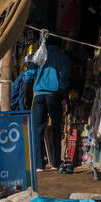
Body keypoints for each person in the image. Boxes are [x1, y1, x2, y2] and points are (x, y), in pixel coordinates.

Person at [30, 37, 72, 173]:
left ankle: (39, 165)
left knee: (38, 130)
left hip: (39, 96)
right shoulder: (62, 57)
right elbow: (64, 80)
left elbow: (30, 73)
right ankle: (55, 163)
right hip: (54, 96)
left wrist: (26, 95)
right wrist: (66, 100)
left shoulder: (40, 54)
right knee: (56, 129)